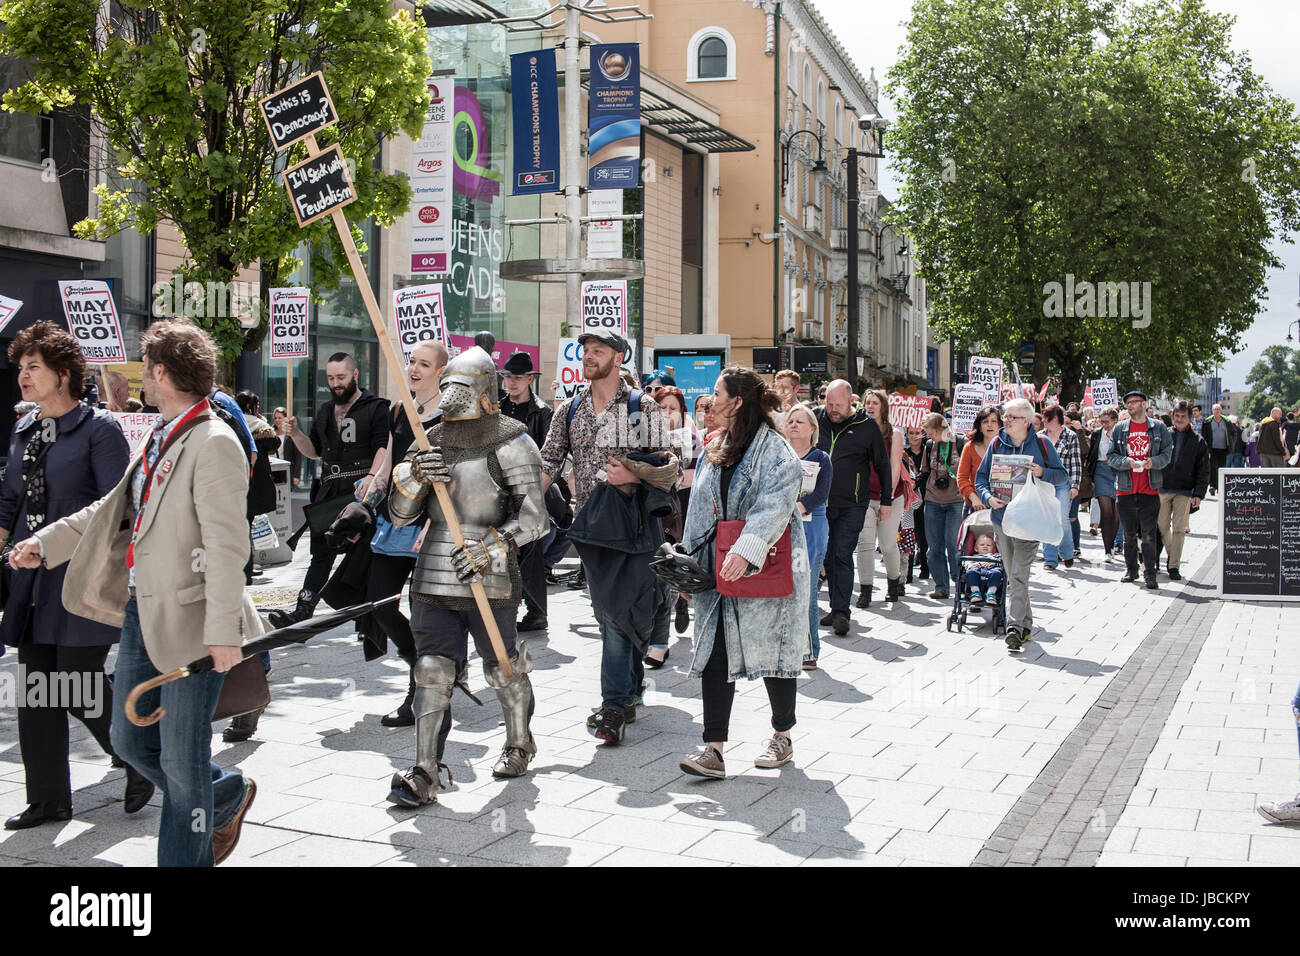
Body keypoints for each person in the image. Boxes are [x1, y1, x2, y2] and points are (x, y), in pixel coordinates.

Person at [10, 320, 260, 866]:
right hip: (140, 614)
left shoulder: (214, 441)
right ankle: (224, 794)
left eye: (145, 368)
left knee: (181, 759)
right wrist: (45, 543)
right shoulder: (158, 433)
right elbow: (109, 514)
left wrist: (222, 633)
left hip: (193, 623)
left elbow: (225, 547)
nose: (139, 378)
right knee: (128, 740)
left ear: (163, 372)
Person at [0, 322, 153, 830]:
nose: (22, 375)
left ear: (64, 374)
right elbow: (9, 497)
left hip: (80, 574)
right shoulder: (24, 430)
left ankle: (137, 754)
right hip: (29, 574)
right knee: (37, 686)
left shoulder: (100, 430)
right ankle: (47, 799)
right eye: (20, 367)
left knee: (75, 679)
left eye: (33, 367)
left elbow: (115, 507)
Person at [385, 347, 547, 806]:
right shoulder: (428, 439)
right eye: (449, 382)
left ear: (484, 391)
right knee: (432, 669)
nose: (453, 393)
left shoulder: (514, 442)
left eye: (463, 385)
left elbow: (535, 519)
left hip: (490, 570)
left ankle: (519, 743)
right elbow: (399, 517)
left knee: (502, 665)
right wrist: (414, 477)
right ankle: (425, 771)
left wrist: (492, 546)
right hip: (435, 568)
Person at [539, 329, 675, 745]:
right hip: (593, 530)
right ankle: (630, 690)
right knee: (609, 614)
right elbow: (548, 462)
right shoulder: (570, 408)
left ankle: (613, 705)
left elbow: (674, 463)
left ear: (618, 358)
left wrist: (633, 473)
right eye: (586, 350)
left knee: (620, 615)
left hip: (636, 528)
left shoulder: (641, 406)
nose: (589, 356)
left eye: (598, 350)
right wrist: (521, 506)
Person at [677, 367, 808, 778]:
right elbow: (698, 509)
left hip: (768, 562)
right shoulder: (716, 446)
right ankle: (712, 748)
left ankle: (782, 735)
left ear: (736, 401)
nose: (710, 400)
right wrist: (688, 565)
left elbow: (776, 504)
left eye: (716, 393)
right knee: (715, 651)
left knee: (775, 650)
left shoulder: (776, 451)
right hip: (718, 567)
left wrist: (747, 548)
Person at [343, 340, 447, 728]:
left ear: (440, 371)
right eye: (411, 362)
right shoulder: (400, 408)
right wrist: (370, 490)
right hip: (393, 523)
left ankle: (418, 692)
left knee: (425, 616)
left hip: (430, 527)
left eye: (424, 364)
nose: (415, 369)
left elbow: (452, 477)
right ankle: (421, 663)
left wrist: (436, 525)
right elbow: (389, 458)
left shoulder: (451, 416)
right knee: (381, 604)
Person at [276, 353, 390, 626]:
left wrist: (372, 480)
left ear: (354, 375)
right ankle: (302, 612)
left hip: (360, 491)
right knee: (321, 553)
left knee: (365, 553)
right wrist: (295, 434)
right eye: (330, 378)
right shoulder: (326, 410)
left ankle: (370, 614)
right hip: (329, 489)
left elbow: (383, 447)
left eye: (341, 377)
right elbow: (313, 452)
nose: (336, 383)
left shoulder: (376, 408)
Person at [974, 397, 1068, 651]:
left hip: (1029, 520)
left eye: (1011, 417)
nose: (1005, 420)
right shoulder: (996, 443)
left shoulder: (1043, 443)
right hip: (1002, 519)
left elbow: (1061, 476)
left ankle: (1014, 627)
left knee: (1018, 574)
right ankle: (1026, 622)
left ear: (1026, 421)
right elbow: (981, 478)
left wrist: (1042, 472)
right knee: (1013, 574)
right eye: (1005, 416)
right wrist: (987, 497)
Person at [814, 380, 891, 635]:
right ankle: (836, 606)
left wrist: (887, 501)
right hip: (820, 502)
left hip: (853, 503)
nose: (832, 409)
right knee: (827, 556)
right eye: (829, 402)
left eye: (838, 404)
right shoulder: (816, 418)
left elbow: (882, 465)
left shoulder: (866, 426)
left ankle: (841, 614)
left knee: (841, 554)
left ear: (850, 402)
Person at [500, 350, 554, 633]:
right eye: (508, 377)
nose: (511, 382)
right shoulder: (495, 408)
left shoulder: (543, 412)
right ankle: (505, 606)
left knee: (530, 549)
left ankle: (536, 611)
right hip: (498, 488)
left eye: (517, 377)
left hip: (530, 488)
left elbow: (550, 455)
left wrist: (536, 491)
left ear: (530, 379)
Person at [647, 384, 701, 661]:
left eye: (673, 409)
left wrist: (668, 475)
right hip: (654, 511)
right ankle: (660, 637)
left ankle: (678, 597)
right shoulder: (643, 436)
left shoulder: (690, 439)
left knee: (672, 563)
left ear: (682, 414)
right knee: (660, 569)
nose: (667, 414)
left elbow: (693, 477)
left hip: (681, 507)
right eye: (662, 408)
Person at [1108, 390, 1174, 589]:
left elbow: (1167, 453)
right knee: (1129, 534)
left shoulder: (1158, 427)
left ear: (1144, 404)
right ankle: (1131, 569)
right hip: (1126, 488)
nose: (1130, 406)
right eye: (1128, 403)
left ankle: (1150, 573)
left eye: (1134, 402)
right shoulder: (1120, 429)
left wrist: (1153, 462)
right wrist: (1126, 462)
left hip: (1149, 488)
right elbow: (1111, 455)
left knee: (1148, 534)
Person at [783, 403, 831, 669]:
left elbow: (821, 493)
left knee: (806, 589)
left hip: (810, 527)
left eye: (800, 422)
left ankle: (810, 650)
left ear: (812, 429)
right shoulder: (780, 454)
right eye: (791, 420)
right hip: (783, 526)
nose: (793, 425)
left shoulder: (821, 458)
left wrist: (797, 509)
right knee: (785, 588)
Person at [856, 389, 906, 605]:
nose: (870, 406)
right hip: (864, 497)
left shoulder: (893, 434)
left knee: (887, 546)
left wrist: (888, 497)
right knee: (865, 543)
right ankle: (865, 590)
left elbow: (895, 467)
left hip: (891, 497)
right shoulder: (858, 431)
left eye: (875, 402)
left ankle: (894, 583)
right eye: (867, 402)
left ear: (883, 407)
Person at [1159, 400, 1209, 581]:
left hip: (1185, 490)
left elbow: (1203, 470)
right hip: (1163, 487)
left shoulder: (1198, 440)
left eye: (1183, 417)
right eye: (1177, 416)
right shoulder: (1163, 436)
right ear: (1172, 416)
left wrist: (1199, 494)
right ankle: (1173, 555)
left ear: (1190, 418)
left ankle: (1174, 566)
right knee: (1162, 525)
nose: (1180, 420)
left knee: (1179, 528)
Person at [919, 412, 965, 600]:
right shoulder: (930, 446)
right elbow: (924, 471)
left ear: (941, 429)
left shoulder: (960, 443)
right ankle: (941, 586)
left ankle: (959, 581)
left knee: (953, 544)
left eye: (932, 433)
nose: (930, 437)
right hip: (933, 500)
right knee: (934, 546)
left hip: (956, 500)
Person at [1040, 405, 1081, 570]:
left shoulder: (1070, 436)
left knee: (1063, 519)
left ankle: (1067, 552)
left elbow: (1075, 462)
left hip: (1063, 483)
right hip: (1044, 483)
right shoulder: (1039, 437)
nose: (1043, 421)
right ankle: (1050, 559)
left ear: (1056, 418)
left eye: (1046, 417)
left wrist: (1075, 485)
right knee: (1048, 519)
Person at [1084, 406, 1122, 563]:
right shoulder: (1097, 434)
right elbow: (1092, 454)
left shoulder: (1121, 433)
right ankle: (1108, 549)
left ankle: (1114, 543)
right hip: (1101, 470)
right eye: (1102, 421)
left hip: (1119, 470)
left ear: (1115, 420)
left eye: (1107, 422)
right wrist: (1090, 477)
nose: (1104, 424)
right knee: (1106, 511)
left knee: (1116, 512)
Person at [958, 406, 1003, 513]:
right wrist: (974, 498)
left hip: (1000, 506)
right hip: (975, 506)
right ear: (980, 426)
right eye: (985, 421)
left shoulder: (1007, 448)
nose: (989, 425)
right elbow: (962, 478)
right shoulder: (969, 447)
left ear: (1000, 425)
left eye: (993, 421)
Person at [904, 425, 929, 582]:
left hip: (925, 496)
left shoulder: (929, 449)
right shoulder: (903, 452)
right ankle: (907, 571)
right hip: (908, 498)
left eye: (917, 433)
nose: (914, 436)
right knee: (908, 532)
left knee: (923, 534)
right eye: (911, 433)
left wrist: (916, 482)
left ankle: (925, 567)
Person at [1200, 404, 1239, 495]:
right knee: (1212, 467)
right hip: (1211, 449)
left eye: (1218, 409)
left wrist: (1231, 444)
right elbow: (1203, 436)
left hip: (1223, 449)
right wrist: (1206, 450)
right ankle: (1213, 486)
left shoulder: (1227, 422)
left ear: (1221, 411)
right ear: (1212, 411)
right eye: (1215, 409)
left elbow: (1234, 433)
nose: (1216, 411)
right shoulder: (1207, 422)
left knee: (1221, 467)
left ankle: (1220, 486)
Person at [964, 534, 1003, 607]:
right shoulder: (972, 557)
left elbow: (1002, 562)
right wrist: (970, 565)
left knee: (997, 573)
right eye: (982, 544)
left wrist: (993, 562)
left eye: (989, 545)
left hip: (991, 570)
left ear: (994, 549)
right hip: (976, 570)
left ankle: (991, 593)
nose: (985, 546)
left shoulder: (995, 556)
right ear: (976, 548)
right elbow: (965, 562)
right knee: (970, 572)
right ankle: (975, 592)